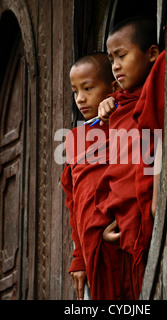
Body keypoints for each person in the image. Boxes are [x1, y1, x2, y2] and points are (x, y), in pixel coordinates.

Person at [83, 16, 165, 300]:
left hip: (150, 216)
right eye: (111, 59)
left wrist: (158, 194)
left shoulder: (156, 87)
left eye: (122, 56)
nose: (115, 66)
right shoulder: (118, 106)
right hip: (122, 226)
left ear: (152, 54)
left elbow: (157, 144)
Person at [61, 52, 121, 300]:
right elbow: (73, 202)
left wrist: (117, 107)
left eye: (88, 88)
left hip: (117, 240)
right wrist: (78, 258)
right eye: (75, 91)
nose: (80, 99)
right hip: (89, 248)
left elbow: (131, 178)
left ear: (113, 87)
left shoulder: (123, 121)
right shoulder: (75, 138)